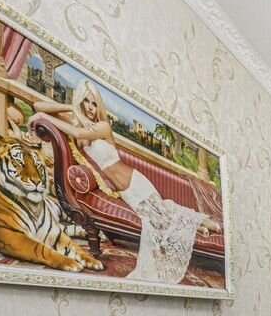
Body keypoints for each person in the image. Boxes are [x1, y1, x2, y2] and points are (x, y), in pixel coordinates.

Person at [29, 81, 221, 284]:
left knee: (158, 218)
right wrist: (70, 107)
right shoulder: (78, 122)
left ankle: (200, 223)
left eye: (94, 103)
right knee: (159, 217)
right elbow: (38, 107)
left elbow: (76, 134)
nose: (91, 108)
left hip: (135, 182)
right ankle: (198, 225)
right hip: (124, 189)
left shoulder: (102, 127)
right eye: (86, 101)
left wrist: (57, 116)